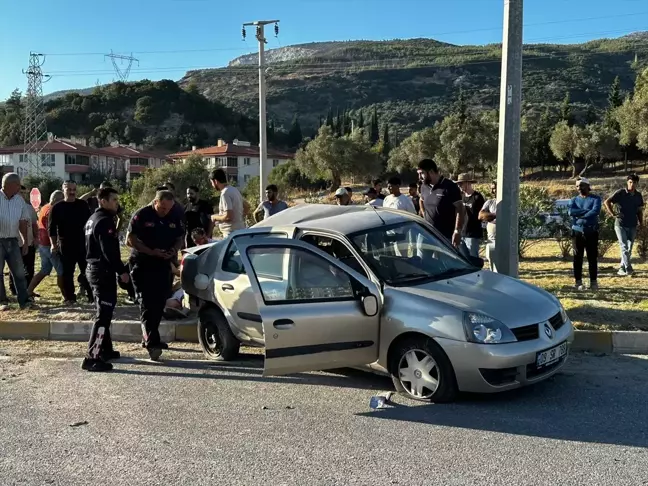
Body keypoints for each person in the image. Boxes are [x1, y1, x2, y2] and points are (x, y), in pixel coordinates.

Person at [127, 190, 185, 360]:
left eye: (168, 209)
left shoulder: (174, 215)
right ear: (155, 202)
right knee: (147, 302)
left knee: (160, 302)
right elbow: (130, 240)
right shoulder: (142, 215)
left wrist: (174, 250)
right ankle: (151, 342)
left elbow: (180, 237)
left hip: (163, 264)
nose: (165, 212)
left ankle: (152, 337)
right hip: (143, 263)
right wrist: (151, 252)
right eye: (163, 208)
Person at [82, 187, 130, 372]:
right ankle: (92, 357)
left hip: (94, 269)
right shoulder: (104, 221)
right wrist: (121, 271)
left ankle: (105, 350)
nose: (117, 203)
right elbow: (108, 251)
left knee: (105, 311)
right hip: (102, 271)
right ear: (102, 201)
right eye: (114, 200)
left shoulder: (93, 219)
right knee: (104, 313)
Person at [49, 181, 93, 305]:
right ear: (63, 190)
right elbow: (51, 228)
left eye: (74, 189)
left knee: (88, 271)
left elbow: (90, 224)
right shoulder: (57, 208)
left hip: (83, 245)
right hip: (65, 245)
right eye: (69, 189)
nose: (72, 192)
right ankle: (70, 298)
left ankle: (92, 297)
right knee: (67, 273)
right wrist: (53, 244)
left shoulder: (83, 205)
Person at [0, 173, 33, 311]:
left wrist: (25, 241)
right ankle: (2, 302)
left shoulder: (19, 200)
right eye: (18, 185)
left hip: (13, 240)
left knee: (19, 272)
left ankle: (24, 301)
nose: (20, 188)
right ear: (10, 185)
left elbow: (23, 221)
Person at [417, 159, 466, 246]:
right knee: (421, 259)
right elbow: (421, 200)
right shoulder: (423, 186)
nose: (419, 177)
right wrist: (424, 213)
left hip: (445, 236)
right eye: (418, 174)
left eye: (422, 173)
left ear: (431, 171)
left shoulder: (450, 186)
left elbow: (460, 208)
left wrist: (457, 230)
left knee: (444, 259)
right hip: (427, 233)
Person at [604, 174, 644, 276]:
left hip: (633, 224)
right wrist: (613, 214)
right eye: (630, 182)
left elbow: (639, 210)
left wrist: (641, 223)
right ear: (627, 182)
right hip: (620, 224)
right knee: (624, 247)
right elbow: (607, 202)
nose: (632, 184)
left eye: (634, 182)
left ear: (637, 183)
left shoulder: (638, 195)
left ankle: (622, 268)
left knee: (629, 248)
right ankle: (629, 268)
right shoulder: (621, 193)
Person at [27, 190, 65, 299]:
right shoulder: (52, 211)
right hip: (49, 244)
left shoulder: (44, 207)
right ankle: (66, 296)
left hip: (42, 243)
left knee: (44, 269)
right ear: (58, 200)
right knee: (61, 270)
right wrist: (55, 244)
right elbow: (51, 229)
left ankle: (29, 291)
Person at [569, 178, 601, 291]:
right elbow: (571, 212)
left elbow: (595, 211)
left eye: (581, 185)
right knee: (577, 258)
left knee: (592, 257)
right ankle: (578, 282)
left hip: (591, 231)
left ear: (588, 186)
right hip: (577, 231)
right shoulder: (574, 200)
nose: (579, 188)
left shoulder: (596, 199)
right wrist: (587, 211)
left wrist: (581, 214)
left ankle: (593, 282)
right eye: (577, 186)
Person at [9, 185, 39, 297]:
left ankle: (28, 289)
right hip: (14, 243)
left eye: (23, 192)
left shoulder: (29, 208)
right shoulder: (9, 207)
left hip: (29, 242)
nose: (22, 195)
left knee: (29, 267)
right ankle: (14, 291)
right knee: (15, 268)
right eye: (19, 192)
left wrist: (36, 238)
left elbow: (34, 224)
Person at [209, 169, 248, 238]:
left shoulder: (225, 193)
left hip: (230, 233)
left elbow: (228, 216)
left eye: (211, 183)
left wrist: (215, 217)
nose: (212, 186)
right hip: (240, 230)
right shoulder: (234, 190)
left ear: (215, 181)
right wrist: (238, 219)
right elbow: (247, 206)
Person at [456, 173, 485, 258]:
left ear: (468, 183)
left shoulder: (477, 197)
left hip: (472, 234)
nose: (459, 186)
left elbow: (482, 215)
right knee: (463, 259)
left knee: (473, 259)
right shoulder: (460, 197)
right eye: (458, 184)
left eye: (461, 183)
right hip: (461, 233)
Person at [479, 181, 498, 271]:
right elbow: (481, 215)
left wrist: (490, 216)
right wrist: (495, 215)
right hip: (492, 239)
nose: (492, 191)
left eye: (494, 188)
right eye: (492, 188)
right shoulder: (490, 202)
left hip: (505, 239)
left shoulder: (509, 202)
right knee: (492, 258)